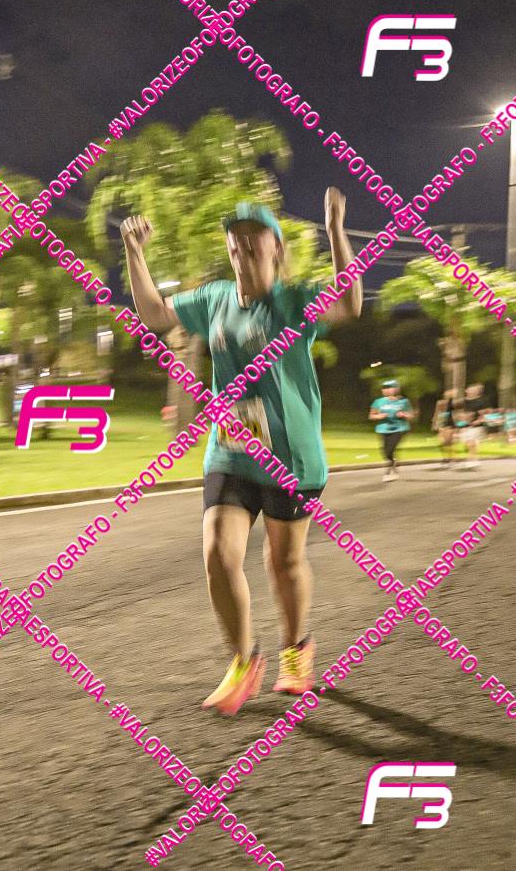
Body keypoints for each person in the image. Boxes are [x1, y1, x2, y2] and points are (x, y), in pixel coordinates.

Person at [120, 187, 362, 715]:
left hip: (292, 456)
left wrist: (335, 229)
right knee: (217, 553)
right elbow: (155, 314)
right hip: (232, 448)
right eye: (235, 238)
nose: (242, 245)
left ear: (276, 247)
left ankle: (295, 650)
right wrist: (134, 252)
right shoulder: (213, 299)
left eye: (254, 237)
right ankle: (243, 660)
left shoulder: (295, 301)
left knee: (284, 561)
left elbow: (349, 303)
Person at [369, 380, 414, 481]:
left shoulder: (403, 401)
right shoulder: (378, 401)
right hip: (383, 429)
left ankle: (388, 473)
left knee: (390, 450)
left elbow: (411, 415)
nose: (386, 390)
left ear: (396, 389)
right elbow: (371, 415)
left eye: (389, 387)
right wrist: (379, 416)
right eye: (384, 388)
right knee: (385, 452)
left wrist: (403, 415)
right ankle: (393, 466)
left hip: (399, 428)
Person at [455, 383, 486, 468]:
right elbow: (458, 412)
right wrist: (461, 419)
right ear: (466, 391)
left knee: (471, 443)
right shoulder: (463, 402)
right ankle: (475, 458)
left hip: (476, 426)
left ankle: (471, 460)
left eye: (474, 390)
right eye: (470, 390)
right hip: (465, 425)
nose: (472, 391)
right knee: (468, 443)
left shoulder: (480, 402)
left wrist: (479, 420)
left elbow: (483, 413)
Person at [432, 389, 457, 466]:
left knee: (448, 442)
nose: (448, 394)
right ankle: (445, 458)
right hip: (442, 422)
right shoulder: (440, 402)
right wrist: (435, 424)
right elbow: (436, 413)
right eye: (447, 393)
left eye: (450, 394)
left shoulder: (453, 403)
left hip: (449, 423)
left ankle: (451, 459)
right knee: (442, 442)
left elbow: (455, 413)